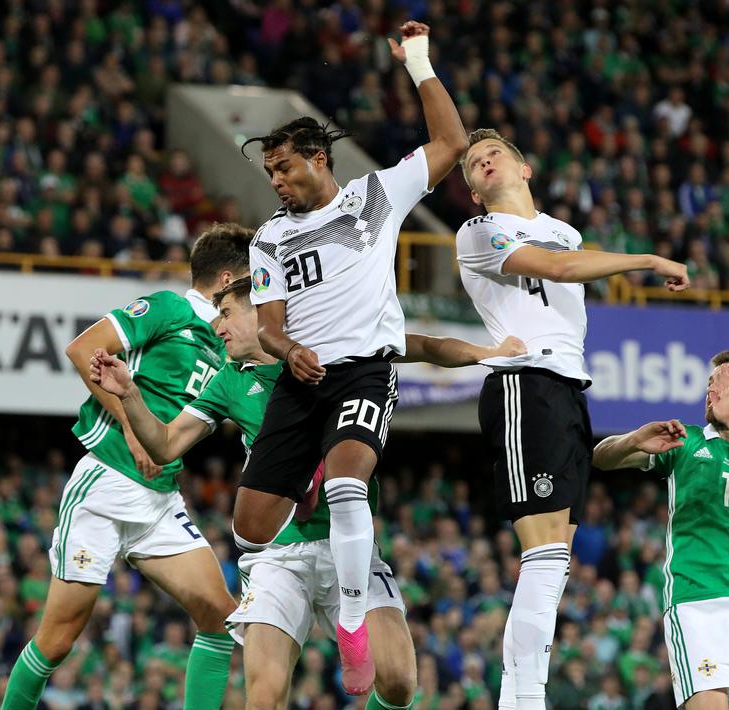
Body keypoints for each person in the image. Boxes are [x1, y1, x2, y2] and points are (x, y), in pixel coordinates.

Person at [90, 276, 527, 710]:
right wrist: (129, 394)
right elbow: (165, 444)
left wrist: (485, 354)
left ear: (259, 313)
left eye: (226, 314)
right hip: (276, 558)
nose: (217, 328)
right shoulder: (229, 380)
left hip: (347, 550)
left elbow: (420, 345)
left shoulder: (327, 345)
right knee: (263, 697)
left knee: (397, 684)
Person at [235, 21, 469, 694]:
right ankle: (317, 531)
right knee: (250, 528)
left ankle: (351, 620)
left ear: (317, 157)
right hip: (301, 379)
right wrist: (287, 350)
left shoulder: (375, 196)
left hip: (363, 369)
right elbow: (270, 326)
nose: (275, 180)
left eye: (283, 167)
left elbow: (450, 143)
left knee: (346, 485)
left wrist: (419, 61)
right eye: (269, 172)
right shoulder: (268, 239)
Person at [452, 128, 691, 710]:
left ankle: (523, 694)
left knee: (555, 561)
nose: (484, 163)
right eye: (473, 164)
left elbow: (565, 260)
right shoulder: (478, 231)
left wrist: (630, 443)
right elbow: (555, 270)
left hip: (566, 386)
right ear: (476, 195)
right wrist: (648, 259)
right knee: (545, 553)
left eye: (494, 154)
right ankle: (523, 698)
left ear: (525, 167)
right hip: (522, 382)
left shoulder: (565, 232)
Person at [1, 224, 253, 710]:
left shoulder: (230, 339)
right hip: (106, 483)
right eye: (249, 277)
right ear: (227, 278)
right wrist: (135, 431)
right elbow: (81, 350)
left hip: (159, 499)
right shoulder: (167, 309)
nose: (256, 287)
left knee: (221, 616)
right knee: (57, 640)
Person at [592, 351, 729, 709]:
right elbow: (601, 457)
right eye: (711, 382)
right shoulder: (686, 442)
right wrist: (633, 440)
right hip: (698, 605)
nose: (713, 389)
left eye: (725, 382)